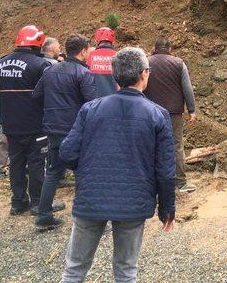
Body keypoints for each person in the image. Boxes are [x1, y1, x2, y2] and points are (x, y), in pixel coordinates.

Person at [59, 47, 175, 282]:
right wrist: (166, 208)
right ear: (144, 74)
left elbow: (67, 153)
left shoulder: (89, 109)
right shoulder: (157, 114)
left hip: (91, 198)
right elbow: (165, 170)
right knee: (125, 271)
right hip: (133, 203)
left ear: (114, 76)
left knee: (74, 270)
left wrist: (88, 171)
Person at [0, 26, 61, 215]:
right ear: (38, 43)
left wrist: (2, 120)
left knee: (16, 163)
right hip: (36, 125)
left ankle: (18, 202)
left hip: (11, 124)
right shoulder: (41, 65)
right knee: (37, 163)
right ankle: (39, 203)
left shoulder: (0, 64)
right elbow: (49, 95)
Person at [33, 35, 96, 230]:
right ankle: (88, 218)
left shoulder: (50, 71)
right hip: (75, 130)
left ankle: (43, 215)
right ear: (83, 51)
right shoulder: (83, 73)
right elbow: (92, 103)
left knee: (54, 171)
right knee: (83, 172)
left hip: (53, 128)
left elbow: (36, 95)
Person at [144, 36, 197, 193]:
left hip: (150, 112)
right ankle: (180, 183)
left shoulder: (146, 63)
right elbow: (187, 89)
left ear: (154, 48)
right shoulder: (179, 63)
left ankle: (151, 183)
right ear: (170, 49)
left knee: (151, 145)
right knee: (176, 146)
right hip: (173, 113)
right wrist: (192, 110)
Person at [87, 27, 117, 97]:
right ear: (113, 41)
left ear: (97, 41)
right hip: (113, 99)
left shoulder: (91, 55)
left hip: (95, 101)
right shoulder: (117, 55)